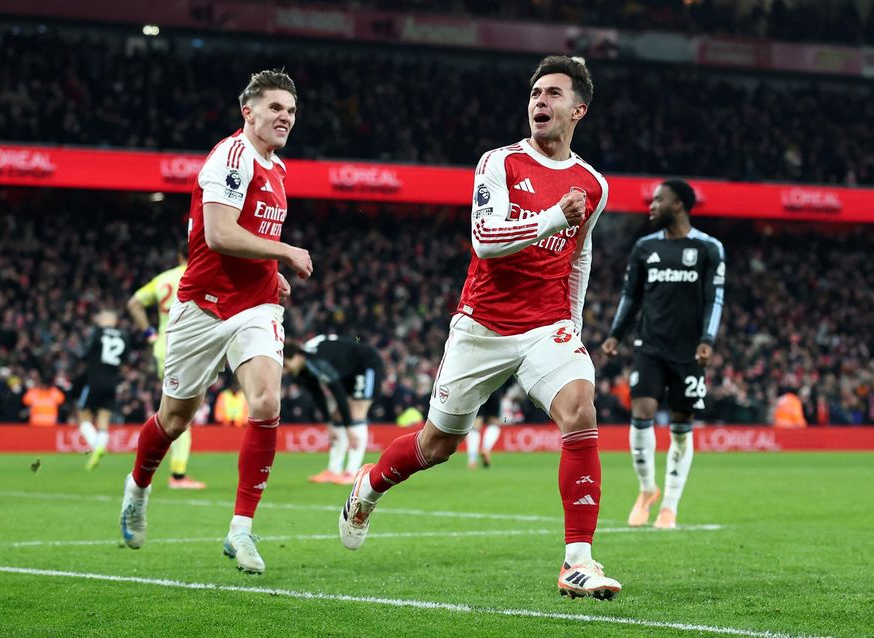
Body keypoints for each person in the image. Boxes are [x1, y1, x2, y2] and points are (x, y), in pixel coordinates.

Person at [338, 55, 620, 600]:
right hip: (483, 326)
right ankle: (369, 486)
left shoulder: (593, 184)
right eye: (536, 93)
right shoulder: (499, 163)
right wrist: (552, 219)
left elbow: (579, 258)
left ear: (578, 110)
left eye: (554, 94)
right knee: (436, 445)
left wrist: (574, 325)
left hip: (547, 326)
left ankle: (577, 562)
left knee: (581, 408)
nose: (540, 101)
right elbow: (485, 240)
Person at [118, 69, 313, 576]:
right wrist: (286, 252)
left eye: (290, 110)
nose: (284, 118)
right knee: (175, 419)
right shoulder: (230, 158)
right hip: (201, 307)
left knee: (267, 399)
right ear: (247, 111)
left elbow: (250, 238)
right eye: (274, 108)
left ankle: (241, 530)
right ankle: (138, 488)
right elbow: (222, 234)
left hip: (256, 305)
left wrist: (272, 272)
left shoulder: (279, 169)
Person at [601, 178, 725, 530]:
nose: (651, 206)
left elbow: (715, 297)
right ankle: (646, 491)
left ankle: (669, 505)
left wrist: (707, 339)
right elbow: (631, 296)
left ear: (679, 205)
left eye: (659, 200)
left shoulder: (708, 248)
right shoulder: (644, 248)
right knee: (642, 412)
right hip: (650, 346)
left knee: (681, 428)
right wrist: (615, 335)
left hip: (689, 353)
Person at [127, 247, 206, 489]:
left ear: (179, 256)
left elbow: (134, 303)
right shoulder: (202, 272)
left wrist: (150, 333)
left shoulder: (162, 279)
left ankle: (154, 472)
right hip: (189, 347)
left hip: (164, 345)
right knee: (181, 414)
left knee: (174, 411)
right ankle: (177, 475)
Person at [283, 335, 384, 484]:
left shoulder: (317, 361)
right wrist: (329, 423)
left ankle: (353, 472)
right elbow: (318, 395)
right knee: (337, 416)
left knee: (356, 412)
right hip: (350, 370)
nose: (285, 370)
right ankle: (333, 470)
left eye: (286, 364)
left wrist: (349, 427)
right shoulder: (305, 367)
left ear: (296, 356)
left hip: (367, 364)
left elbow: (338, 393)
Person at [77, 309, 130, 469]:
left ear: (107, 318)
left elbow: (85, 352)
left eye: (100, 317)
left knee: (83, 415)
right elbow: (124, 362)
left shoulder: (97, 332)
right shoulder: (124, 335)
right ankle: (99, 447)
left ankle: (96, 446)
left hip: (94, 379)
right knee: (103, 417)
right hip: (112, 382)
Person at [465, 382, 509, 469]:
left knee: (475, 425)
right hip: (495, 388)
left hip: (478, 389)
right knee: (494, 423)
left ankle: (472, 461)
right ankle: (486, 449)